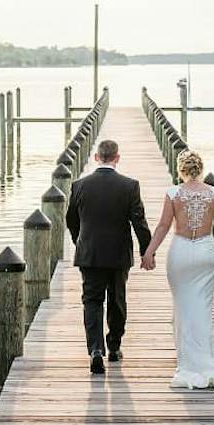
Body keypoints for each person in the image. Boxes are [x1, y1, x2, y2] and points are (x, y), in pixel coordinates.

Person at [141, 149, 214, 390]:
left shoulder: (173, 193)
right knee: (203, 308)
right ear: (200, 170)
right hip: (205, 253)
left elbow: (162, 226)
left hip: (180, 252)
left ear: (181, 171)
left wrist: (149, 252)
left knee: (182, 307)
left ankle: (188, 362)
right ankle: (207, 360)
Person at [65, 138, 153, 375]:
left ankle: (95, 350)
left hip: (89, 254)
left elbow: (71, 220)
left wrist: (79, 242)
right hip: (118, 255)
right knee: (117, 299)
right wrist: (147, 251)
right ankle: (114, 347)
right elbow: (139, 222)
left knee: (91, 301)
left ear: (96, 157)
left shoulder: (79, 185)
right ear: (117, 157)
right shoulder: (130, 186)